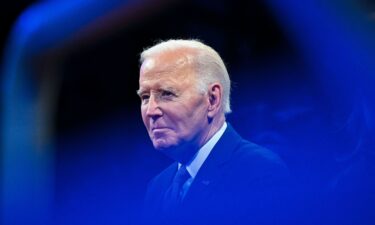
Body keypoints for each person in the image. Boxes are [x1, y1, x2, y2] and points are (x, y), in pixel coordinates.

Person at [137, 39, 294, 225]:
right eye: (145, 97)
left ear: (212, 99)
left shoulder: (260, 172)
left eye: (167, 94)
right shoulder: (158, 187)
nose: (151, 110)